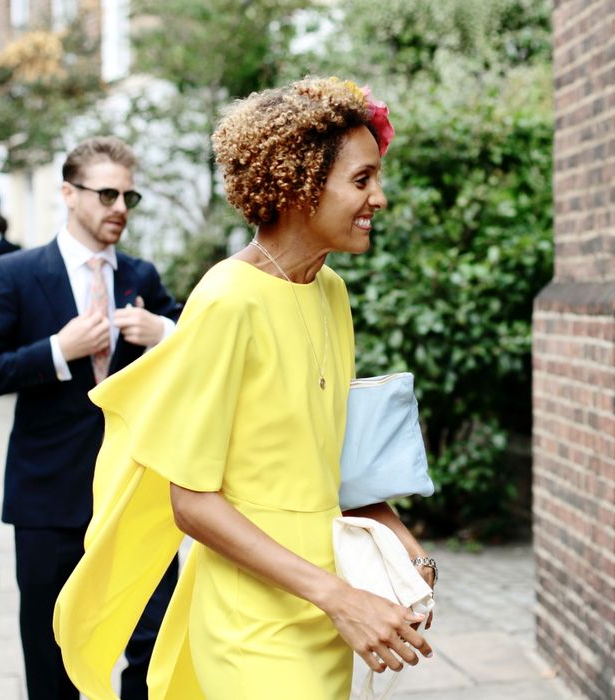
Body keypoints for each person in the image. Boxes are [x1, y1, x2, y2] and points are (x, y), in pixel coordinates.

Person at [54, 77, 436, 699]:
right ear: (298, 184)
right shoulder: (227, 301)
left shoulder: (331, 291)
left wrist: (410, 557)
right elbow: (193, 502)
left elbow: (333, 459)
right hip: (252, 620)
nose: (380, 199)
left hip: (327, 608)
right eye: (362, 180)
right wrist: (340, 598)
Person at [0, 137, 181, 700]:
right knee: (52, 649)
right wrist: (56, 349)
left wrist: (162, 334)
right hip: (47, 495)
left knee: (151, 640)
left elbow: (197, 352)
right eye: (106, 194)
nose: (119, 207)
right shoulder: (15, 273)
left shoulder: (142, 276)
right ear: (69, 194)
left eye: (129, 195)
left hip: (134, 494)